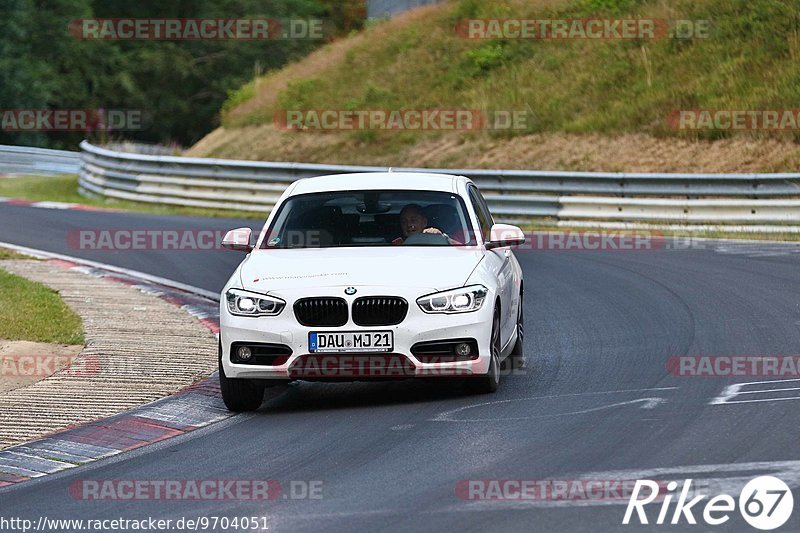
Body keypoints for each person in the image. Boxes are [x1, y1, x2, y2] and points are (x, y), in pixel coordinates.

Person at [392, 204, 460, 245]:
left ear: (424, 222)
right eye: (404, 222)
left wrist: (442, 237)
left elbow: (462, 249)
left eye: (413, 220)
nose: (409, 224)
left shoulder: (440, 241)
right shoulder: (397, 244)